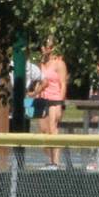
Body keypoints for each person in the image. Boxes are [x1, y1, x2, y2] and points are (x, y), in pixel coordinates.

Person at [33, 39, 68, 169]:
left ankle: (56, 162)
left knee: (53, 129)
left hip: (55, 99)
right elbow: (39, 81)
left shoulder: (59, 63)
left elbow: (63, 84)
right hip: (43, 99)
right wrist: (35, 94)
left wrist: (60, 102)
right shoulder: (42, 64)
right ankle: (50, 159)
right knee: (43, 131)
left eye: (48, 46)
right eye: (43, 46)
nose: (45, 49)